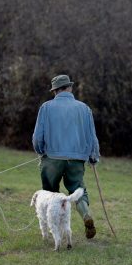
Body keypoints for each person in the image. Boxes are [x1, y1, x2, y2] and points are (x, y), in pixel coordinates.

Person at [32, 74, 100, 239]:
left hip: (52, 159)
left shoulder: (46, 107)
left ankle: (52, 231)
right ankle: (86, 215)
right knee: (78, 190)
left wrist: (41, 152)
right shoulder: (84, 108)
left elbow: (37, 137)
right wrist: (93, 156)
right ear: (69, 88)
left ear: (55, 91)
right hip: (76, 159)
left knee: (49, 194)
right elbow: (92, 137)